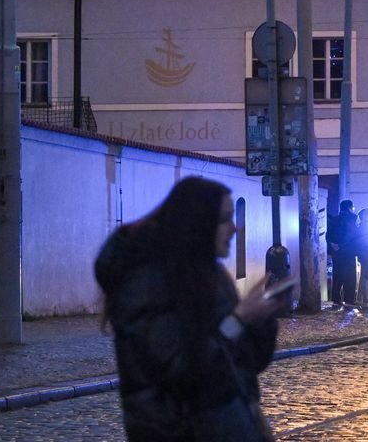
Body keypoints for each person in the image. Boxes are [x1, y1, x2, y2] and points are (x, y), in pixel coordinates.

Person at [94, 176, 282, 442]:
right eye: (225, 219)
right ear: (198, 224)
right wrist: (239, 319)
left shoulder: (211, 275)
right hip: (177, 431)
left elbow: (243, 364)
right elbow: (182, 369)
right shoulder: (148, 283)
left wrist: (261, 320)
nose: (235, 229)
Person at [328, 199, 358, 308]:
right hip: (348, 251)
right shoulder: (353, 218)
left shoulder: (334, 219)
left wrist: (333, 245)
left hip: (336, 252)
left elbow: (328, 234)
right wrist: (341, 245)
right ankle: (349, 299)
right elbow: (351, 234)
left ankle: (336, 299)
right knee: (350, 276)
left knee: (337, 275)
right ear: (350, 207)